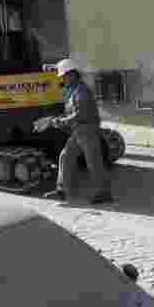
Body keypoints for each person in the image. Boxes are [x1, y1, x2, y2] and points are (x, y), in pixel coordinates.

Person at [43, 59, 113, 204]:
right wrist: (58, 119)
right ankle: (62, 190)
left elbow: (81, 114)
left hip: (87, 130)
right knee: (65, 156)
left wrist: (62, 121)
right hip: (78, 131)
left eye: (63, 76)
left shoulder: (81, 90)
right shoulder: (73, 89)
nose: (62, 78)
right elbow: (72, 112)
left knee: (93, 162)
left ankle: (103, 192)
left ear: (72, 74)